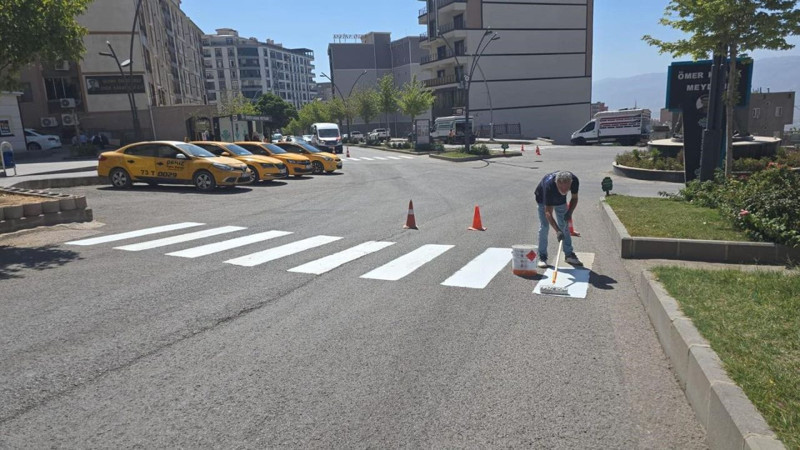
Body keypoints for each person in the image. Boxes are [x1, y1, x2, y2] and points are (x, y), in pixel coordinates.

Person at [535, 171, 582, 267]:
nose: (564, 190)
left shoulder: (574, 180)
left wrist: (569, 212)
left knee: (564, 225)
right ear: (557, 182)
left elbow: (574, 198)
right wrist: (557, 231)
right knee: (544, 226)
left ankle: (569, 255)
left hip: (560, 200)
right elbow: (548, 212)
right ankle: (542, 256)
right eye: (561, 187)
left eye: (567, 187)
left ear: (570, 182)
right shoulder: (549, 186)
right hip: (542, 198)